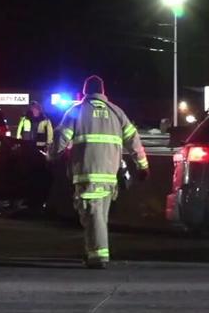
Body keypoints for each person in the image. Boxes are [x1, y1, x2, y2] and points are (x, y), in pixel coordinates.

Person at [50, 75, 149, 269]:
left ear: (84, 92)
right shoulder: (117, 112)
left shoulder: (77, 111)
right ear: (103, 92)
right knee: (99, 216)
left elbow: (61, 138)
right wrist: (142, 165)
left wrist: (52, 156)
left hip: (87, 173)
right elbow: (133, 140)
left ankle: (98, 256)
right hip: (110, 176)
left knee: (92, 215)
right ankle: (92, 252)